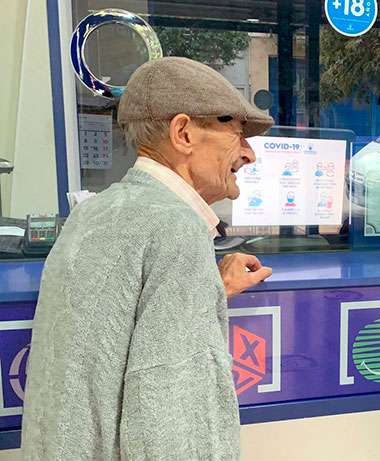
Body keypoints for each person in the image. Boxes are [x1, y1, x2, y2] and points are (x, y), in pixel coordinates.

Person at [22, 57, 275, 460]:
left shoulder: (93, 213)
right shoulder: (175, 229)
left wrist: (211, 286)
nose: (248, 154)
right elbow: (169, 416)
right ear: (183, 133)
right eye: (237, 132)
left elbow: (110, 336)